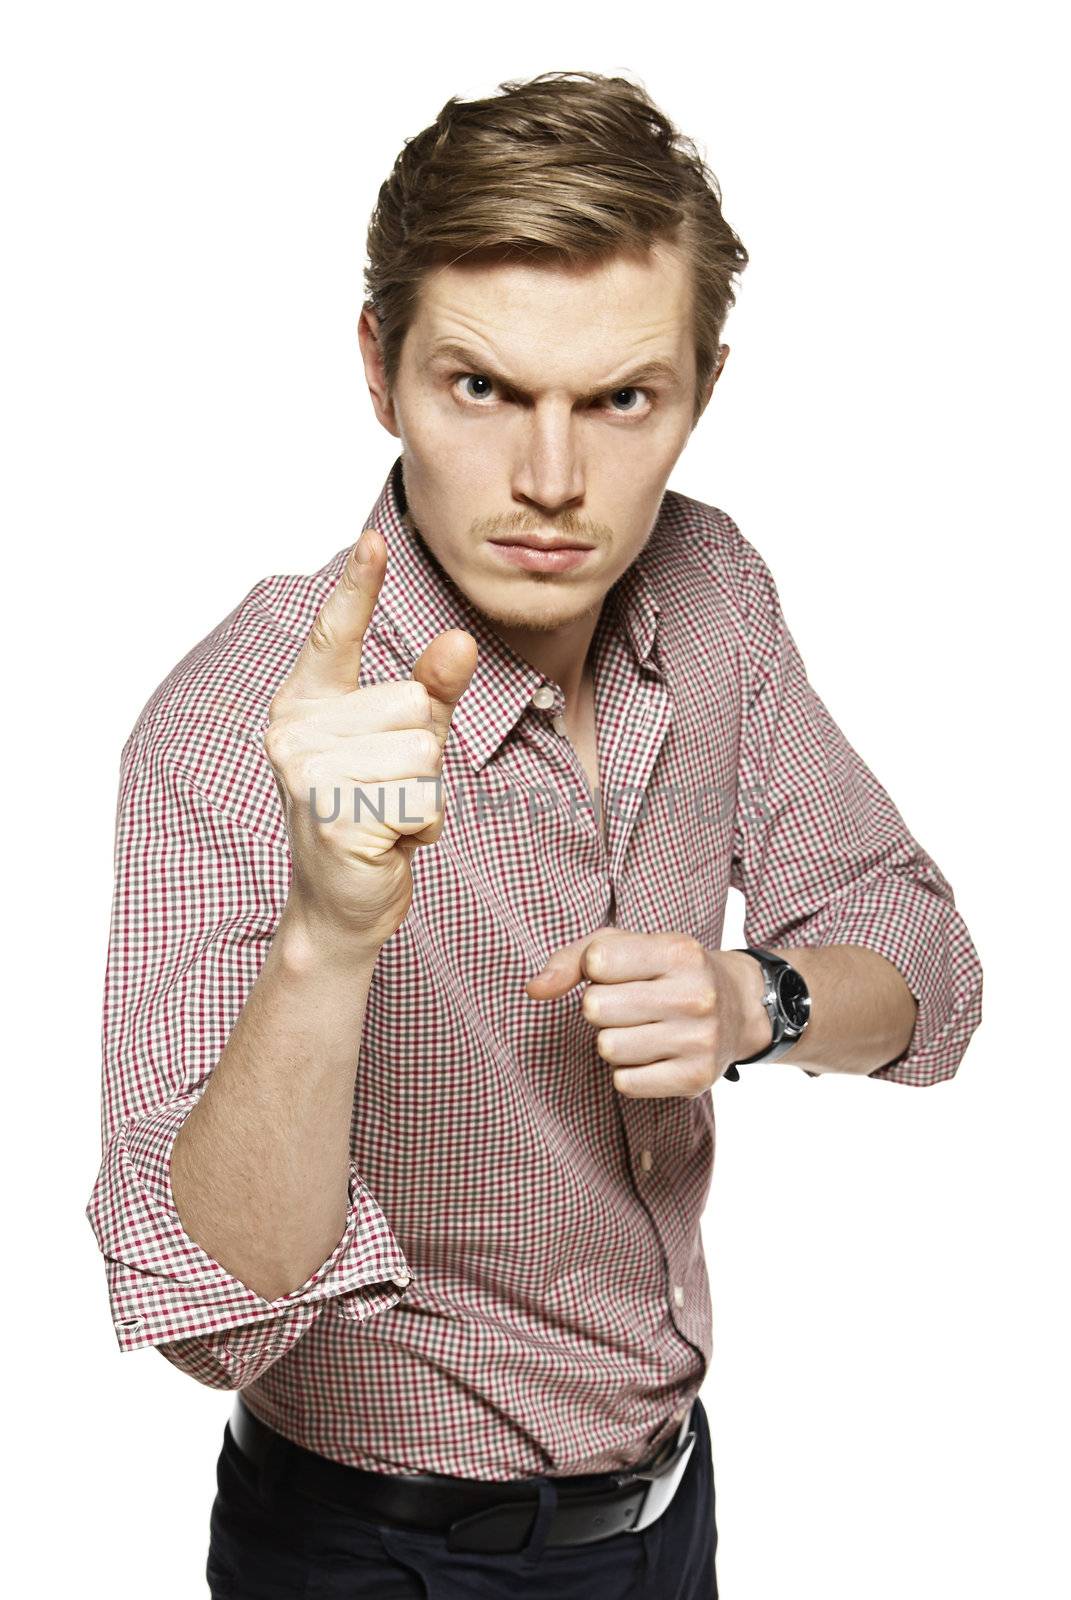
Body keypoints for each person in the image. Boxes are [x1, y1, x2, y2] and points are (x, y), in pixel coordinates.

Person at [84, 68, 983, 1599]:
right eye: (483, 389)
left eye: (620, 399)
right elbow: (208, 1314)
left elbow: (930, 967)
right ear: (381, 369)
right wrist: (327, 936)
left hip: (669, 1515)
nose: (553, 483)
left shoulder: (714, 597)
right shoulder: (237, 723)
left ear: (703, 386)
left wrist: (753, 999)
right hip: (374, 1555)